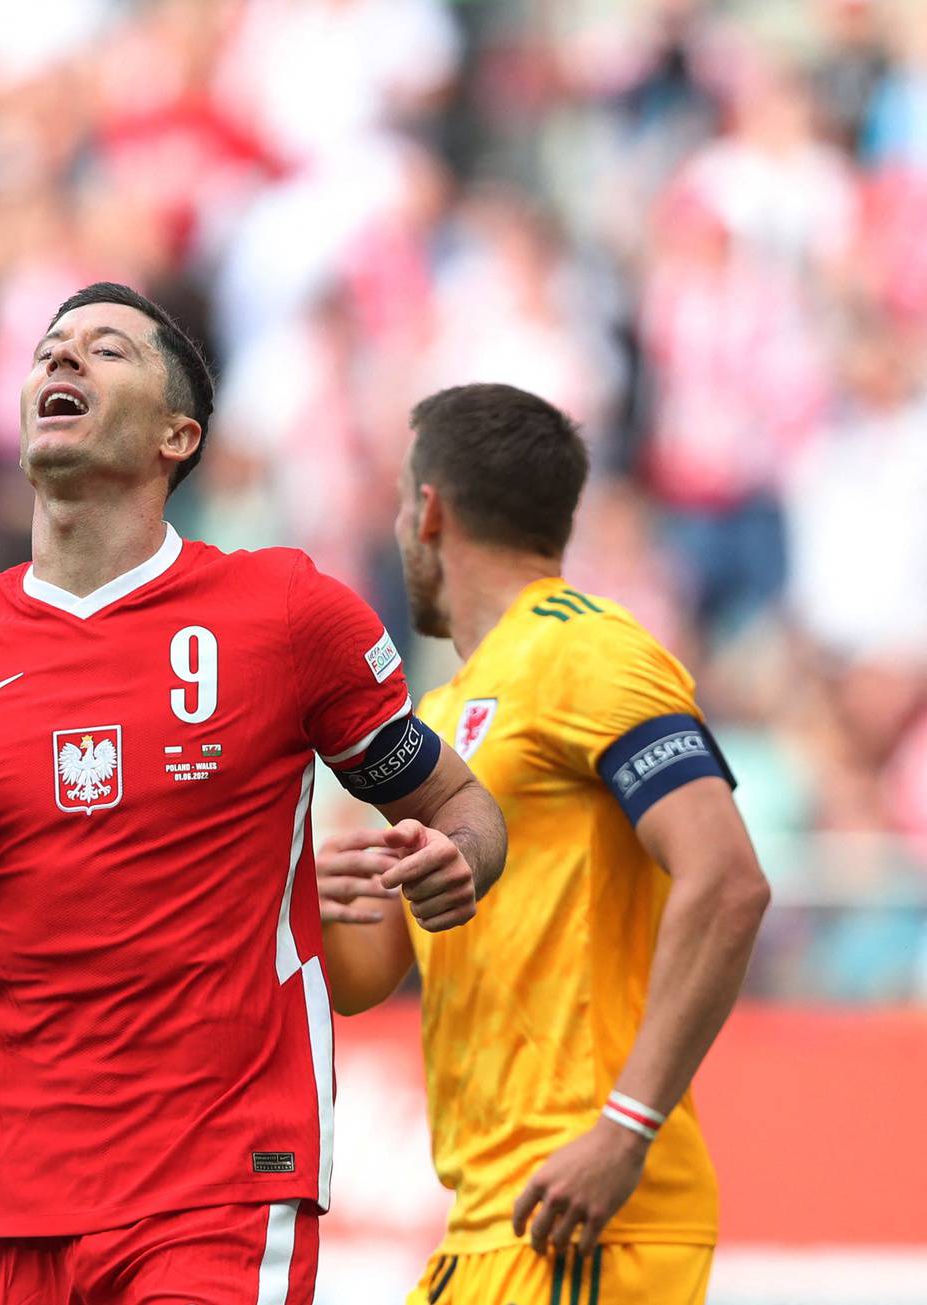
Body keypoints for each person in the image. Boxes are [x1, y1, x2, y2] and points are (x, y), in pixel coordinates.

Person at [0, 281, 507, 1304]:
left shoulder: (283, 615)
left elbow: (460, 806)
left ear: (179, 436)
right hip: (20, 1190)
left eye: (106, 350)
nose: (62, 361)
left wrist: (458, 860)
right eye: (51, 349)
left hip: (221, 1179)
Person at [316, 384, 770, 1305]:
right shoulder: (436, 723)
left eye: (404, 502)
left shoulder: (589, 650)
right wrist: (295, 885)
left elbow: (728, 881)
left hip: (587, 1204)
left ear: (429, 509)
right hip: (485, 1220)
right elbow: (368, 975)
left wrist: (624, 1129)